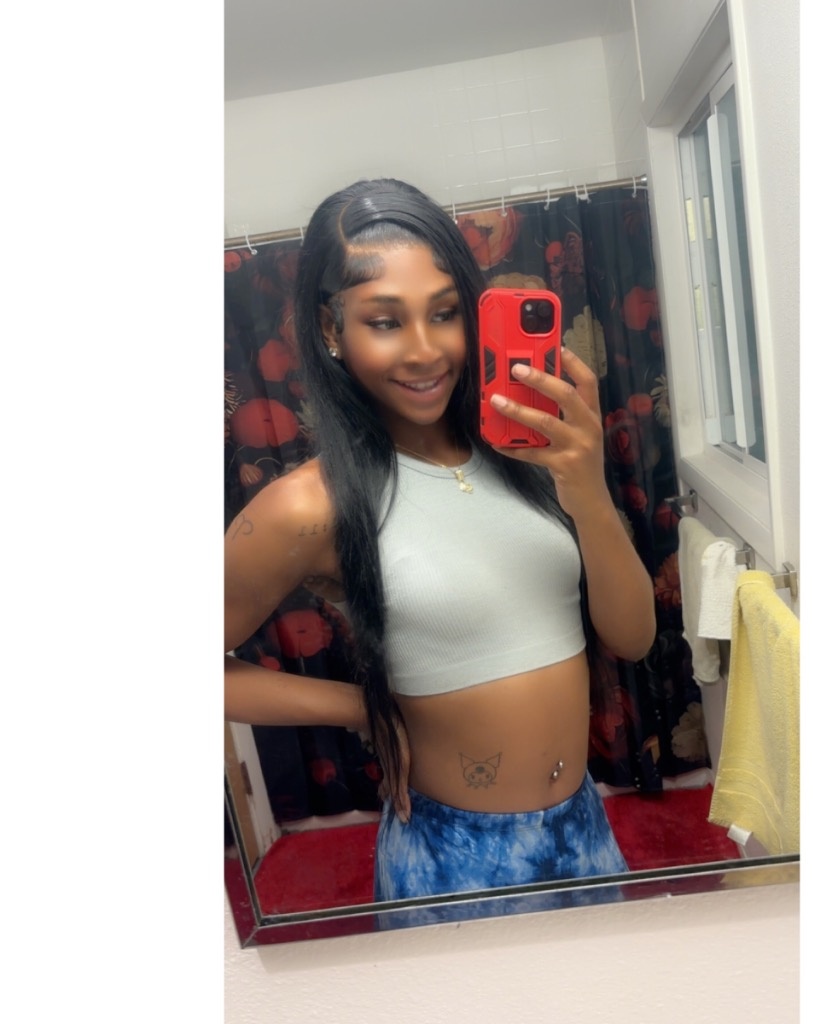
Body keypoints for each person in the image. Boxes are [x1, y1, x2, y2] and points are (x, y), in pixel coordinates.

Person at [224, 178, 656, 907]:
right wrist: (364, 707)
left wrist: (586, 487)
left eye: (446, 313)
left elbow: (635, 637)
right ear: (331, 330)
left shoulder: (532, 447)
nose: (425, 352)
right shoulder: (308, 505)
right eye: (384, 321)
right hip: (453, 864)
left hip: (585, 830)